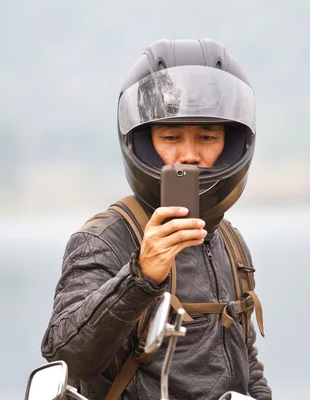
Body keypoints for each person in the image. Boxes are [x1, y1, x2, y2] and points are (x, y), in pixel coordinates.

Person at [41, 38, 272, 400]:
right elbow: (64, 356)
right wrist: (140, 276)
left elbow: (246, 362)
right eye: (170, 137)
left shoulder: (229, 241)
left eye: (208, 137)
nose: (189, 155)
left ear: (231, 143)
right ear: (144, 142)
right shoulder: (104, 239)